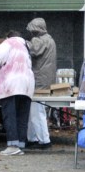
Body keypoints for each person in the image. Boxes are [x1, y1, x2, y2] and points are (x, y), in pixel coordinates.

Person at [0, 30, 35, 156]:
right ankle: (21, 144)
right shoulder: (25, 47)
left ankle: (12, 145)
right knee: (22, 115)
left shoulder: (7, 43)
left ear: (8, 37)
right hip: (27, 84)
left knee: (10, 115)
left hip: (10, 84)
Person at [26, 18, 56, 150]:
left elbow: (33, 51)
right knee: (34, 110)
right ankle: (32, 138)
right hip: (46, 79)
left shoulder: (38, 40)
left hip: (39, 80)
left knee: (36, 111)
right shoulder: (49, 39)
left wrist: (24, 43)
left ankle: (44, 140)